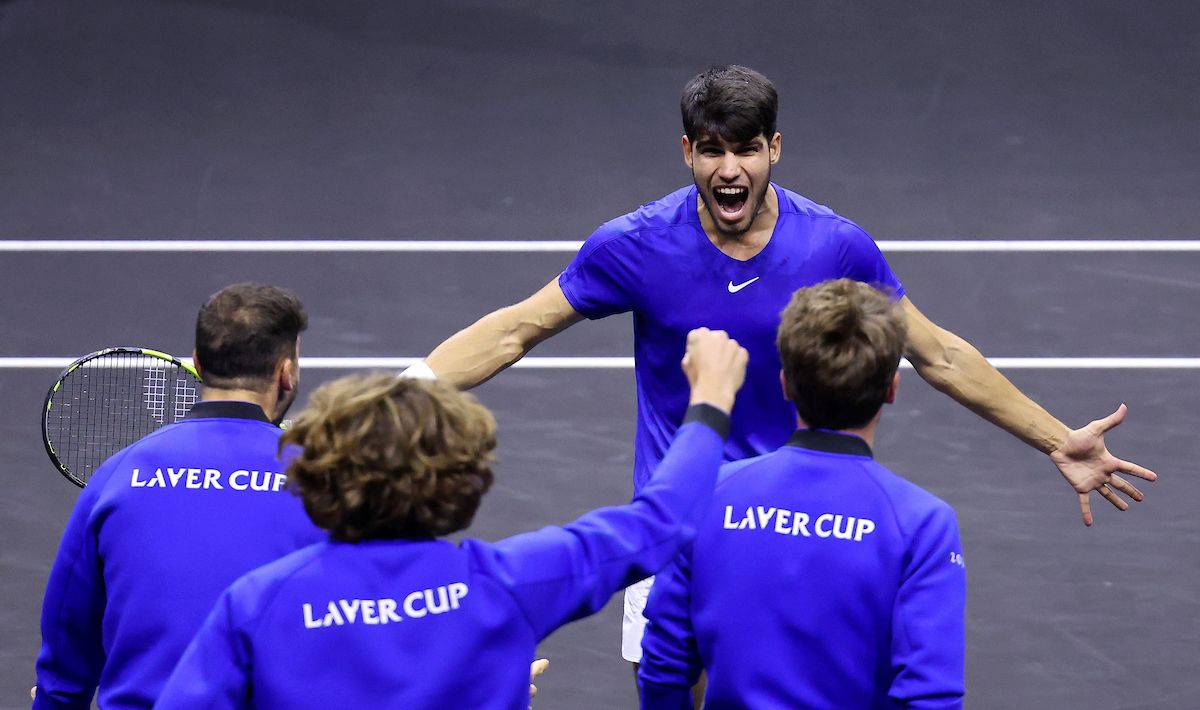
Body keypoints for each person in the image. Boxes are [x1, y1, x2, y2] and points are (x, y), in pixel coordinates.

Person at [404, 64, 1155, 665]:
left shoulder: (833, 247)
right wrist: (398, 397)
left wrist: (1056, 437)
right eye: (711, 149)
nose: (729, 170)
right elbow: (515, 330)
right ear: (688, 153)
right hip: (679, 522)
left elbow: (939, 354)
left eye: (746, 149)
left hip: (791, 531)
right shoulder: (635, 245)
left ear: (774, 150)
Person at [154, 328, 747, 709]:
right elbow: (661, 522)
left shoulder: (256, 604)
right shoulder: (509, 585)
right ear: (462, 478)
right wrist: (710, 403)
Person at [639, 278, 965, 708]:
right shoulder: (922, 524)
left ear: (785, 384)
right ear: (891, 390)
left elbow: (663, 663)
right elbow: (930, 699)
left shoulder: (707, 493)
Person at [33, 283, 323, 709]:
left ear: (198, 364)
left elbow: (66, 632)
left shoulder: (120, 472)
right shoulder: (324, 483)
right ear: (286, 372)